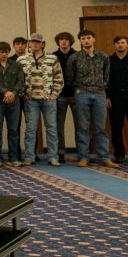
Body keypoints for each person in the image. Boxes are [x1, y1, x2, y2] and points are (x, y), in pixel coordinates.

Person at [67, 28, 113, 167]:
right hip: (82, 93)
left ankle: (104, 157)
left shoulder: (103, 57)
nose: (86, 40)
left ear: (93, 39)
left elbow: (107, 76)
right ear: (80, 41)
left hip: (99, 93)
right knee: (83, 127)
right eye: (83, 38)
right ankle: (83, 157)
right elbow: (70, 77)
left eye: (88, 38)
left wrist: (102, 89)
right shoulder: (74, 57)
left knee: (100, 127)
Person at [18, 32, 62, 168]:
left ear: (43, 44)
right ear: (29, 44)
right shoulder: (21, 60)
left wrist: (54, 94)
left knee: (51, 128)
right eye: (32, 42)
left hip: (48, 99)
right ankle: (29, 156)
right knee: (30, 129)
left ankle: (53, 157)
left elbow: (59, 78)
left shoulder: (52, 58)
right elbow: (18, 80)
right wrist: (23, 93)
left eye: (38, 42)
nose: (35, 44)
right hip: (31, 100)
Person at [0, 42, 26, 166]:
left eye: (6, 52)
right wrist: (5, 92)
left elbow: (21, 81)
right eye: (1, 52)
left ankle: (13, 158)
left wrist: (13, 93)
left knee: (13, 130)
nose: (3, 54)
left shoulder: (16, 65)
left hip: (14, 101)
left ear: (8, 52)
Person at [53, 32, 78, 163]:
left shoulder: (78, 55)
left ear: (70, 41)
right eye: (61, 40)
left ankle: (82, 152)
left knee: (80, 125)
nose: (63, 42)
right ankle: (60, 152)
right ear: (58, 42)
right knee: (59, 125)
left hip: (76, 95)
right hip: (59, 95)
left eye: (66, 40)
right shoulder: (53, 56)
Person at [107, 34, 128, 163]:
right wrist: (107, 97)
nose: (120, 45)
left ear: (127, 44)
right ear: (114, 45)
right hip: (114, 98)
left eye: (123, 42)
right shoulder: (108, 60)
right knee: (116, 126)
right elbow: (106, 80)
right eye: (118, 43)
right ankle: (119, 154)